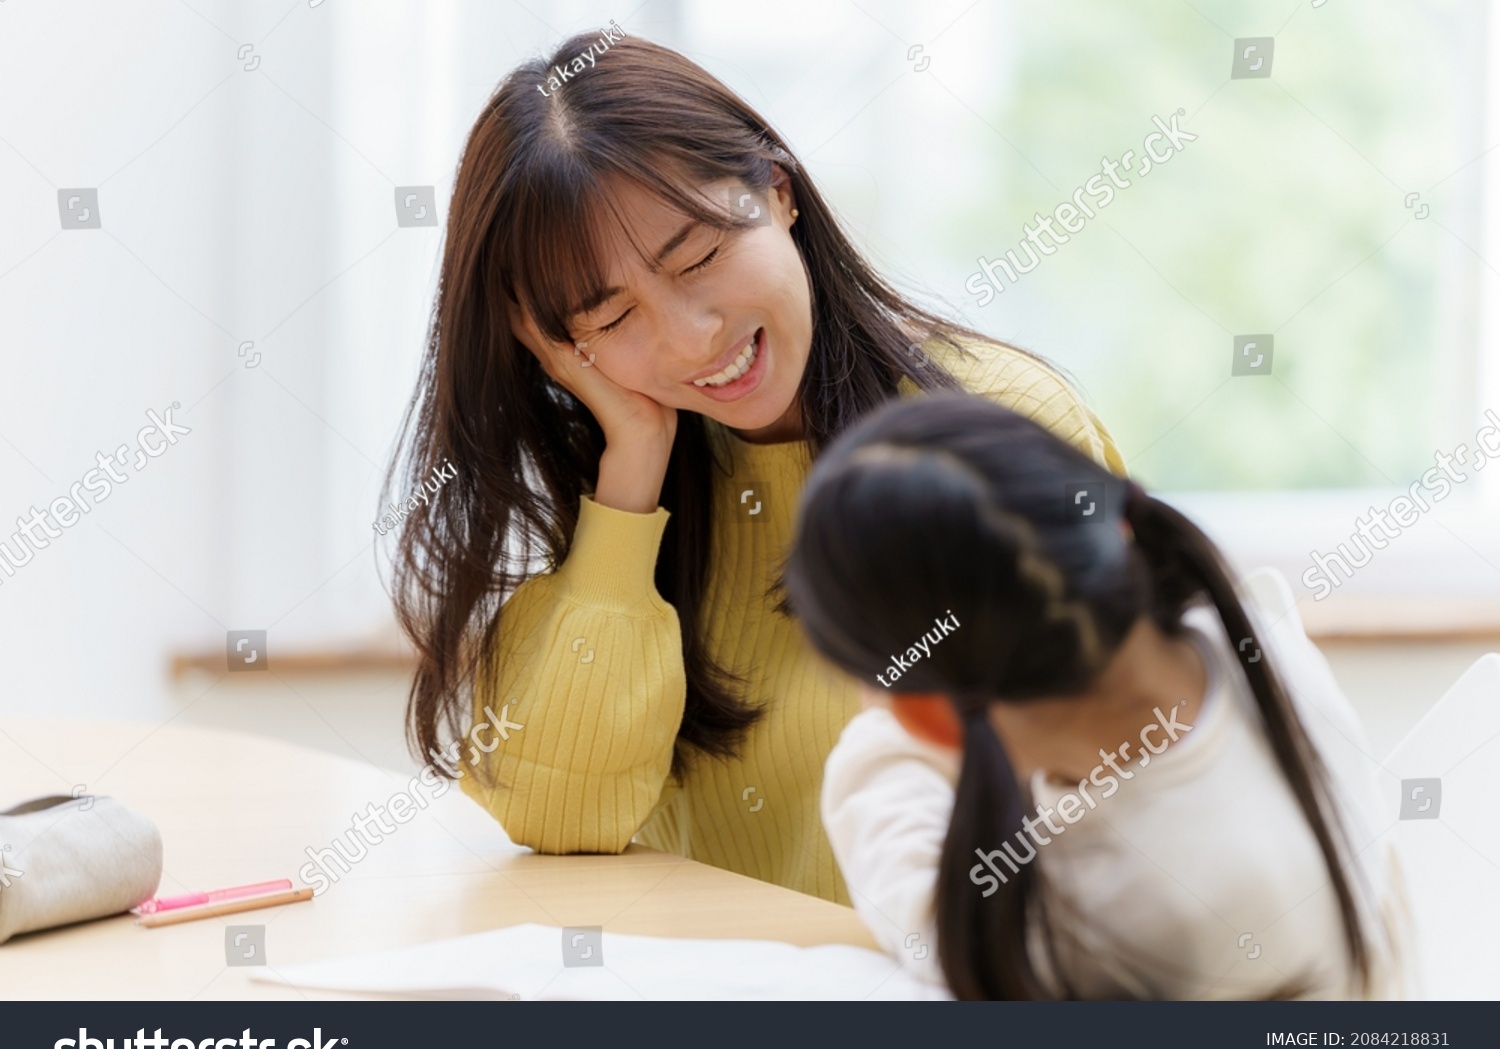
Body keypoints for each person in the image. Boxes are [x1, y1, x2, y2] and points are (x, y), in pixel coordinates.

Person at [384, 32, 1125, 904]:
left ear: (777, 193)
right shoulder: (632, 488)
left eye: (697, 257)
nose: (690, 336)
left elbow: (1118, 793)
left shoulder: (993, 427)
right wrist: (632, 470)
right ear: (559, 353)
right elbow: (559, 813)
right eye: (610, 319)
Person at [787, 393, 1409, 997]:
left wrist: (881, 736)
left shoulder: (1118, 908)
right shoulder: (1246, 635)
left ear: (924, 717)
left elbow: (933, 922)